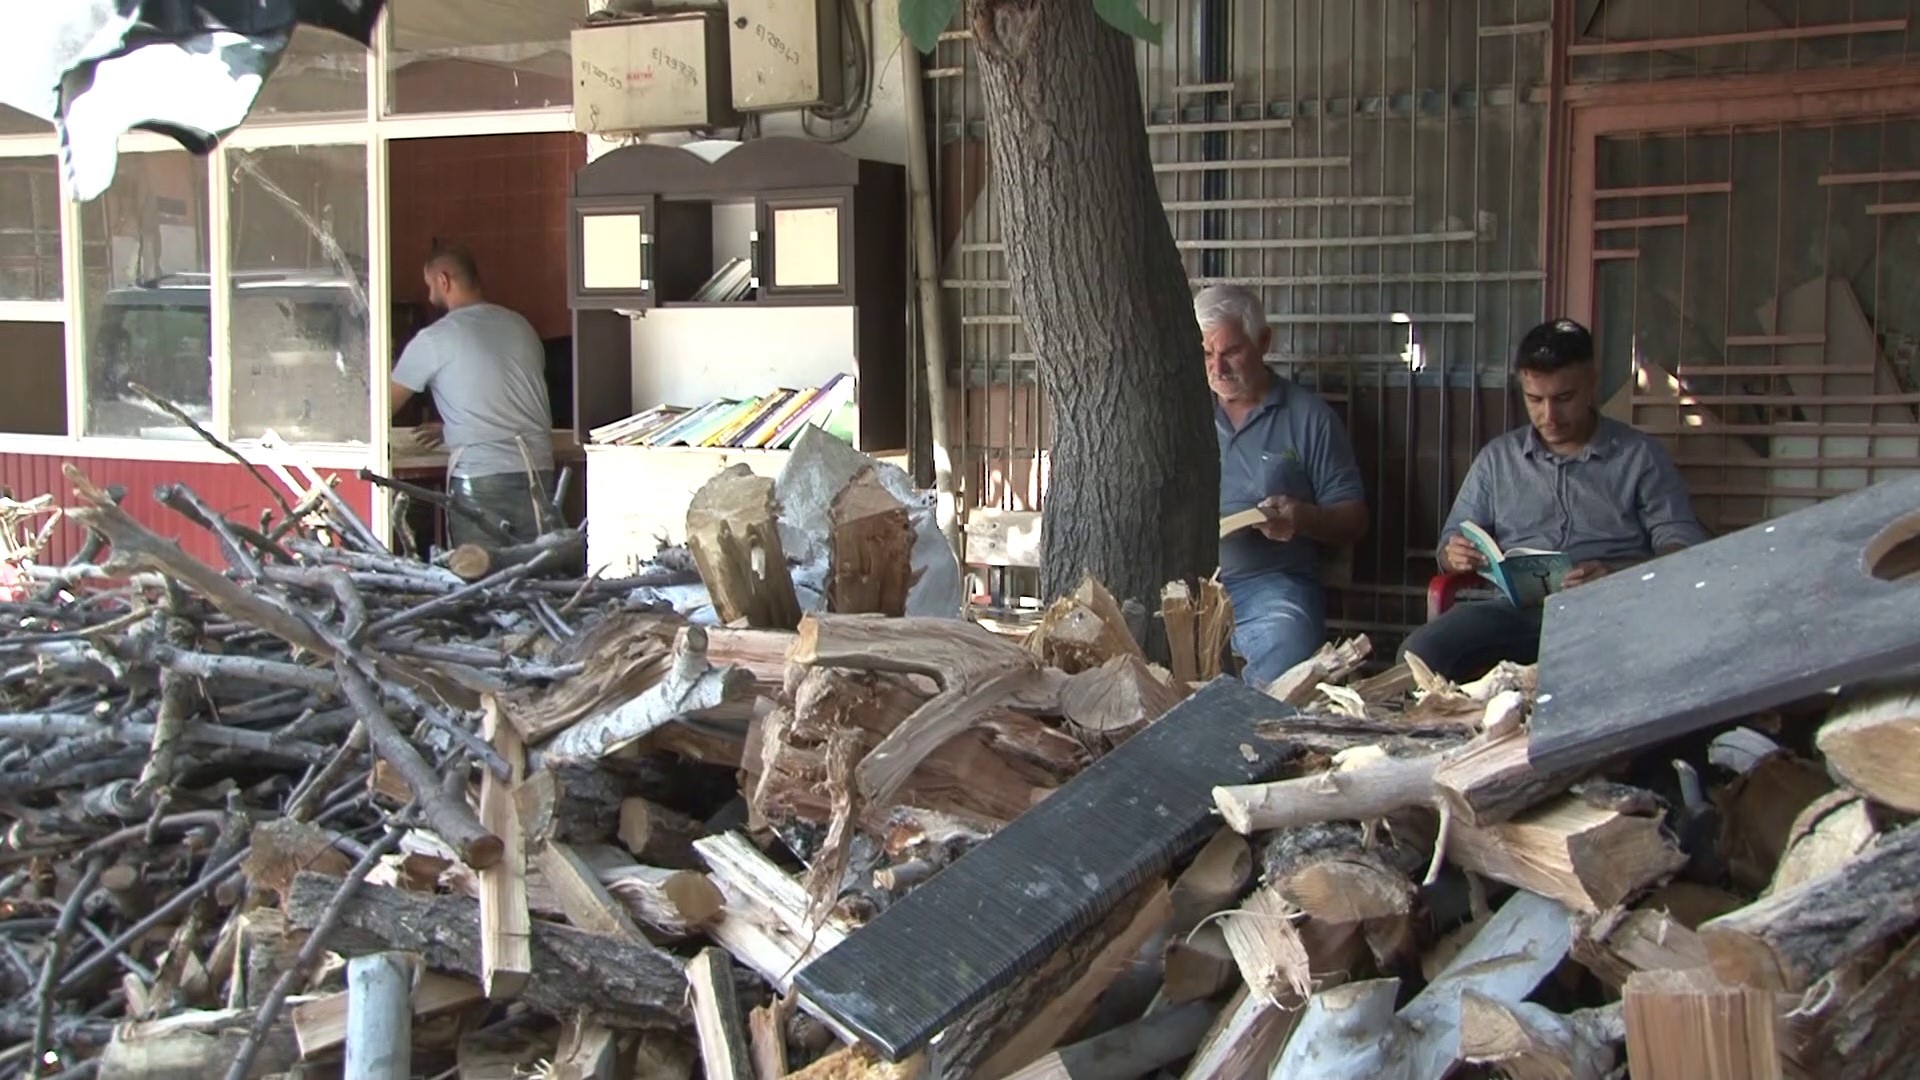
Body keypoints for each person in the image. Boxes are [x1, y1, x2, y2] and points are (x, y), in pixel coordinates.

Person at [1400, 318, 1709, 681]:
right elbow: (1450, 544)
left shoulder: (1639, 457)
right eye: (1535, 400)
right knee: (1419, 656)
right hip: (1514, 612)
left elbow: (1685, 550)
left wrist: (1617, 575)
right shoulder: (1498, 459)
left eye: (1564, 398)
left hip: (1612, 611)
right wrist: (1454, 554)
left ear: (1592, 384)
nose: (1550, 416)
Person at [1200, 284, 1370, 687]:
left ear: (1264, 342)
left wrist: (1304, 518)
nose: (1217, 368)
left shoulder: (1309, 417)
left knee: (1285, 657)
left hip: (1272, 588)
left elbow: (1354, 518)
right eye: (1206, 354)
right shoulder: (1185, 412)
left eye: (1231, 352)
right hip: (1187, 587)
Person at [389, 244, 556, 547]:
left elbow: (383, 408)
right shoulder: (520, 325)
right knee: (537, 570)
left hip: (481, 476)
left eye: (429, 285)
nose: (429, 295)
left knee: (482, 577)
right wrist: (453, 425)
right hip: (539, 471)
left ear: (443, 280)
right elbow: (509, 395)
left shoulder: (434, 338)